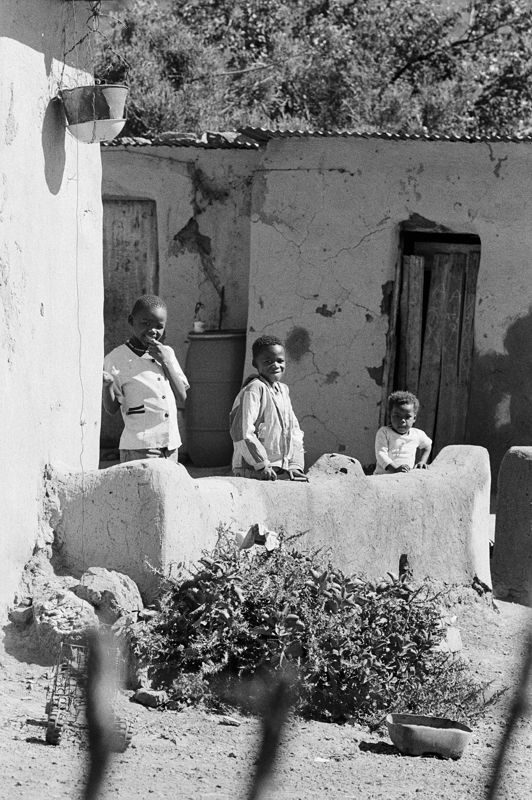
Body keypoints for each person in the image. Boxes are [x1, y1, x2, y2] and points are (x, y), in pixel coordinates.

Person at [102, 294, 189, 463]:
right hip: (140, 447)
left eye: (159, 326)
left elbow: (182, 397)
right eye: (146, 323)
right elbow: (111, 409)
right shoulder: (115, 359)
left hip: (170, 447)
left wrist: (166, 362)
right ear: (131, 321)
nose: (152, 330)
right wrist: (108, 386)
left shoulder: (167, 353)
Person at [229, 334, 307, 481]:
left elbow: (294, 430)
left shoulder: (283, 390)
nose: (275, 365)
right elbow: (242, 432)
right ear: (255, 363)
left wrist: (295, 465)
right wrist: (262, 464)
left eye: (280, 361)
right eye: (268, 361)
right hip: (253, 470)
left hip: (276, 470)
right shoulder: (254, 389)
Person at [374, 390, 432, 474]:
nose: (402, 421)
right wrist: (395, 469)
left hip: (404, 479)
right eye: (397, 416)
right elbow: (381, 455)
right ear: (390, 416)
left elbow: (428, 446)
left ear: (414, 418)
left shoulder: (417, 434)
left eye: (407, 417)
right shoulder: (384, 432)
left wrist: (422, 461)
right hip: (383, 478)